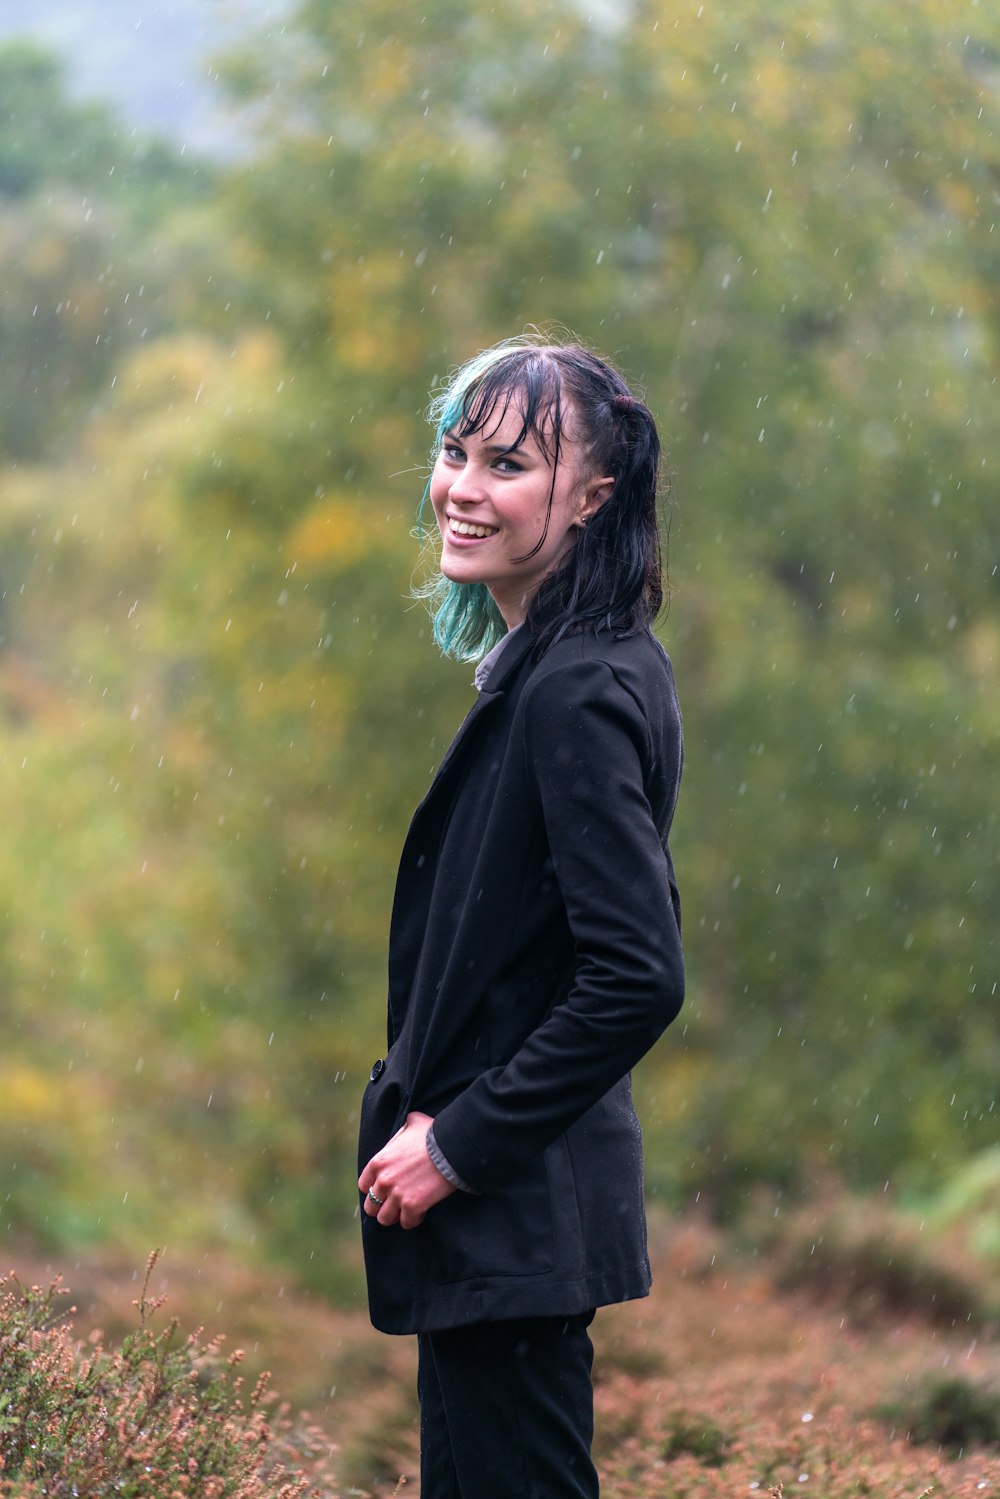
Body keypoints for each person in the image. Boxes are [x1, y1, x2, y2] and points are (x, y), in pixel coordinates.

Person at [357, 335, 684, 1498]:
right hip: (508, 1224)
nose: (463, 488)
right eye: (456, 452)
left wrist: (456, 1143)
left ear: (590, 500)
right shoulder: (567, 663)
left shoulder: (578, 688)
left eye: (508, 464)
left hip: (517, 1205)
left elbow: (637, 972)